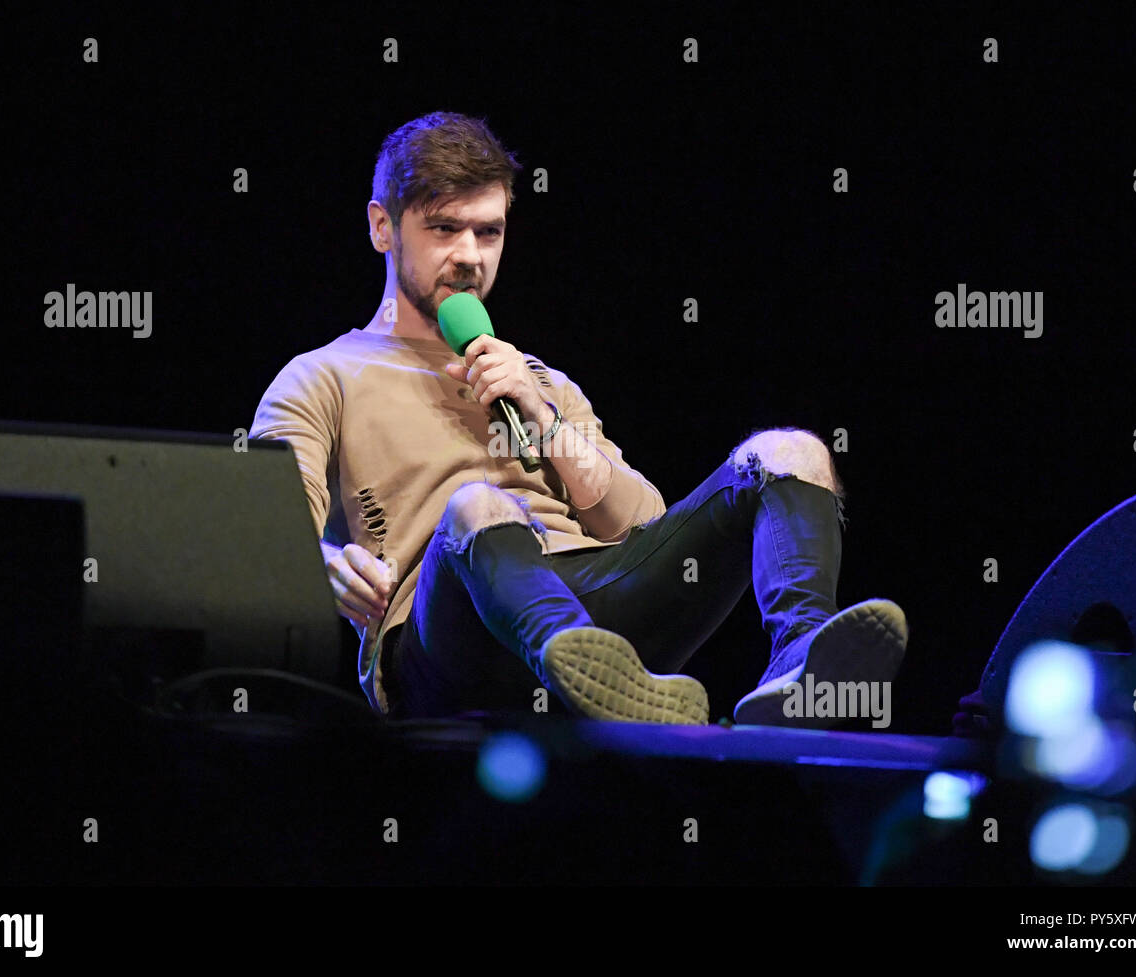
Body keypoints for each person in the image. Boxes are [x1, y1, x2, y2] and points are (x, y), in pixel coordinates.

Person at [251, 111, 908, 725]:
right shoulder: (320, 377)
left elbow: (646, 526)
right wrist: (324, 563)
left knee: (790, 451)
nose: (472, 255)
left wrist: (542, 417)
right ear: (382, 227)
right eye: (445, 228)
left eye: (490, 231)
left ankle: (799, 665)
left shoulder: (539, 381)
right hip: (443, 643)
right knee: (477, 504)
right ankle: (581, 670)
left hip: (595, 602)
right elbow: (257, 543)